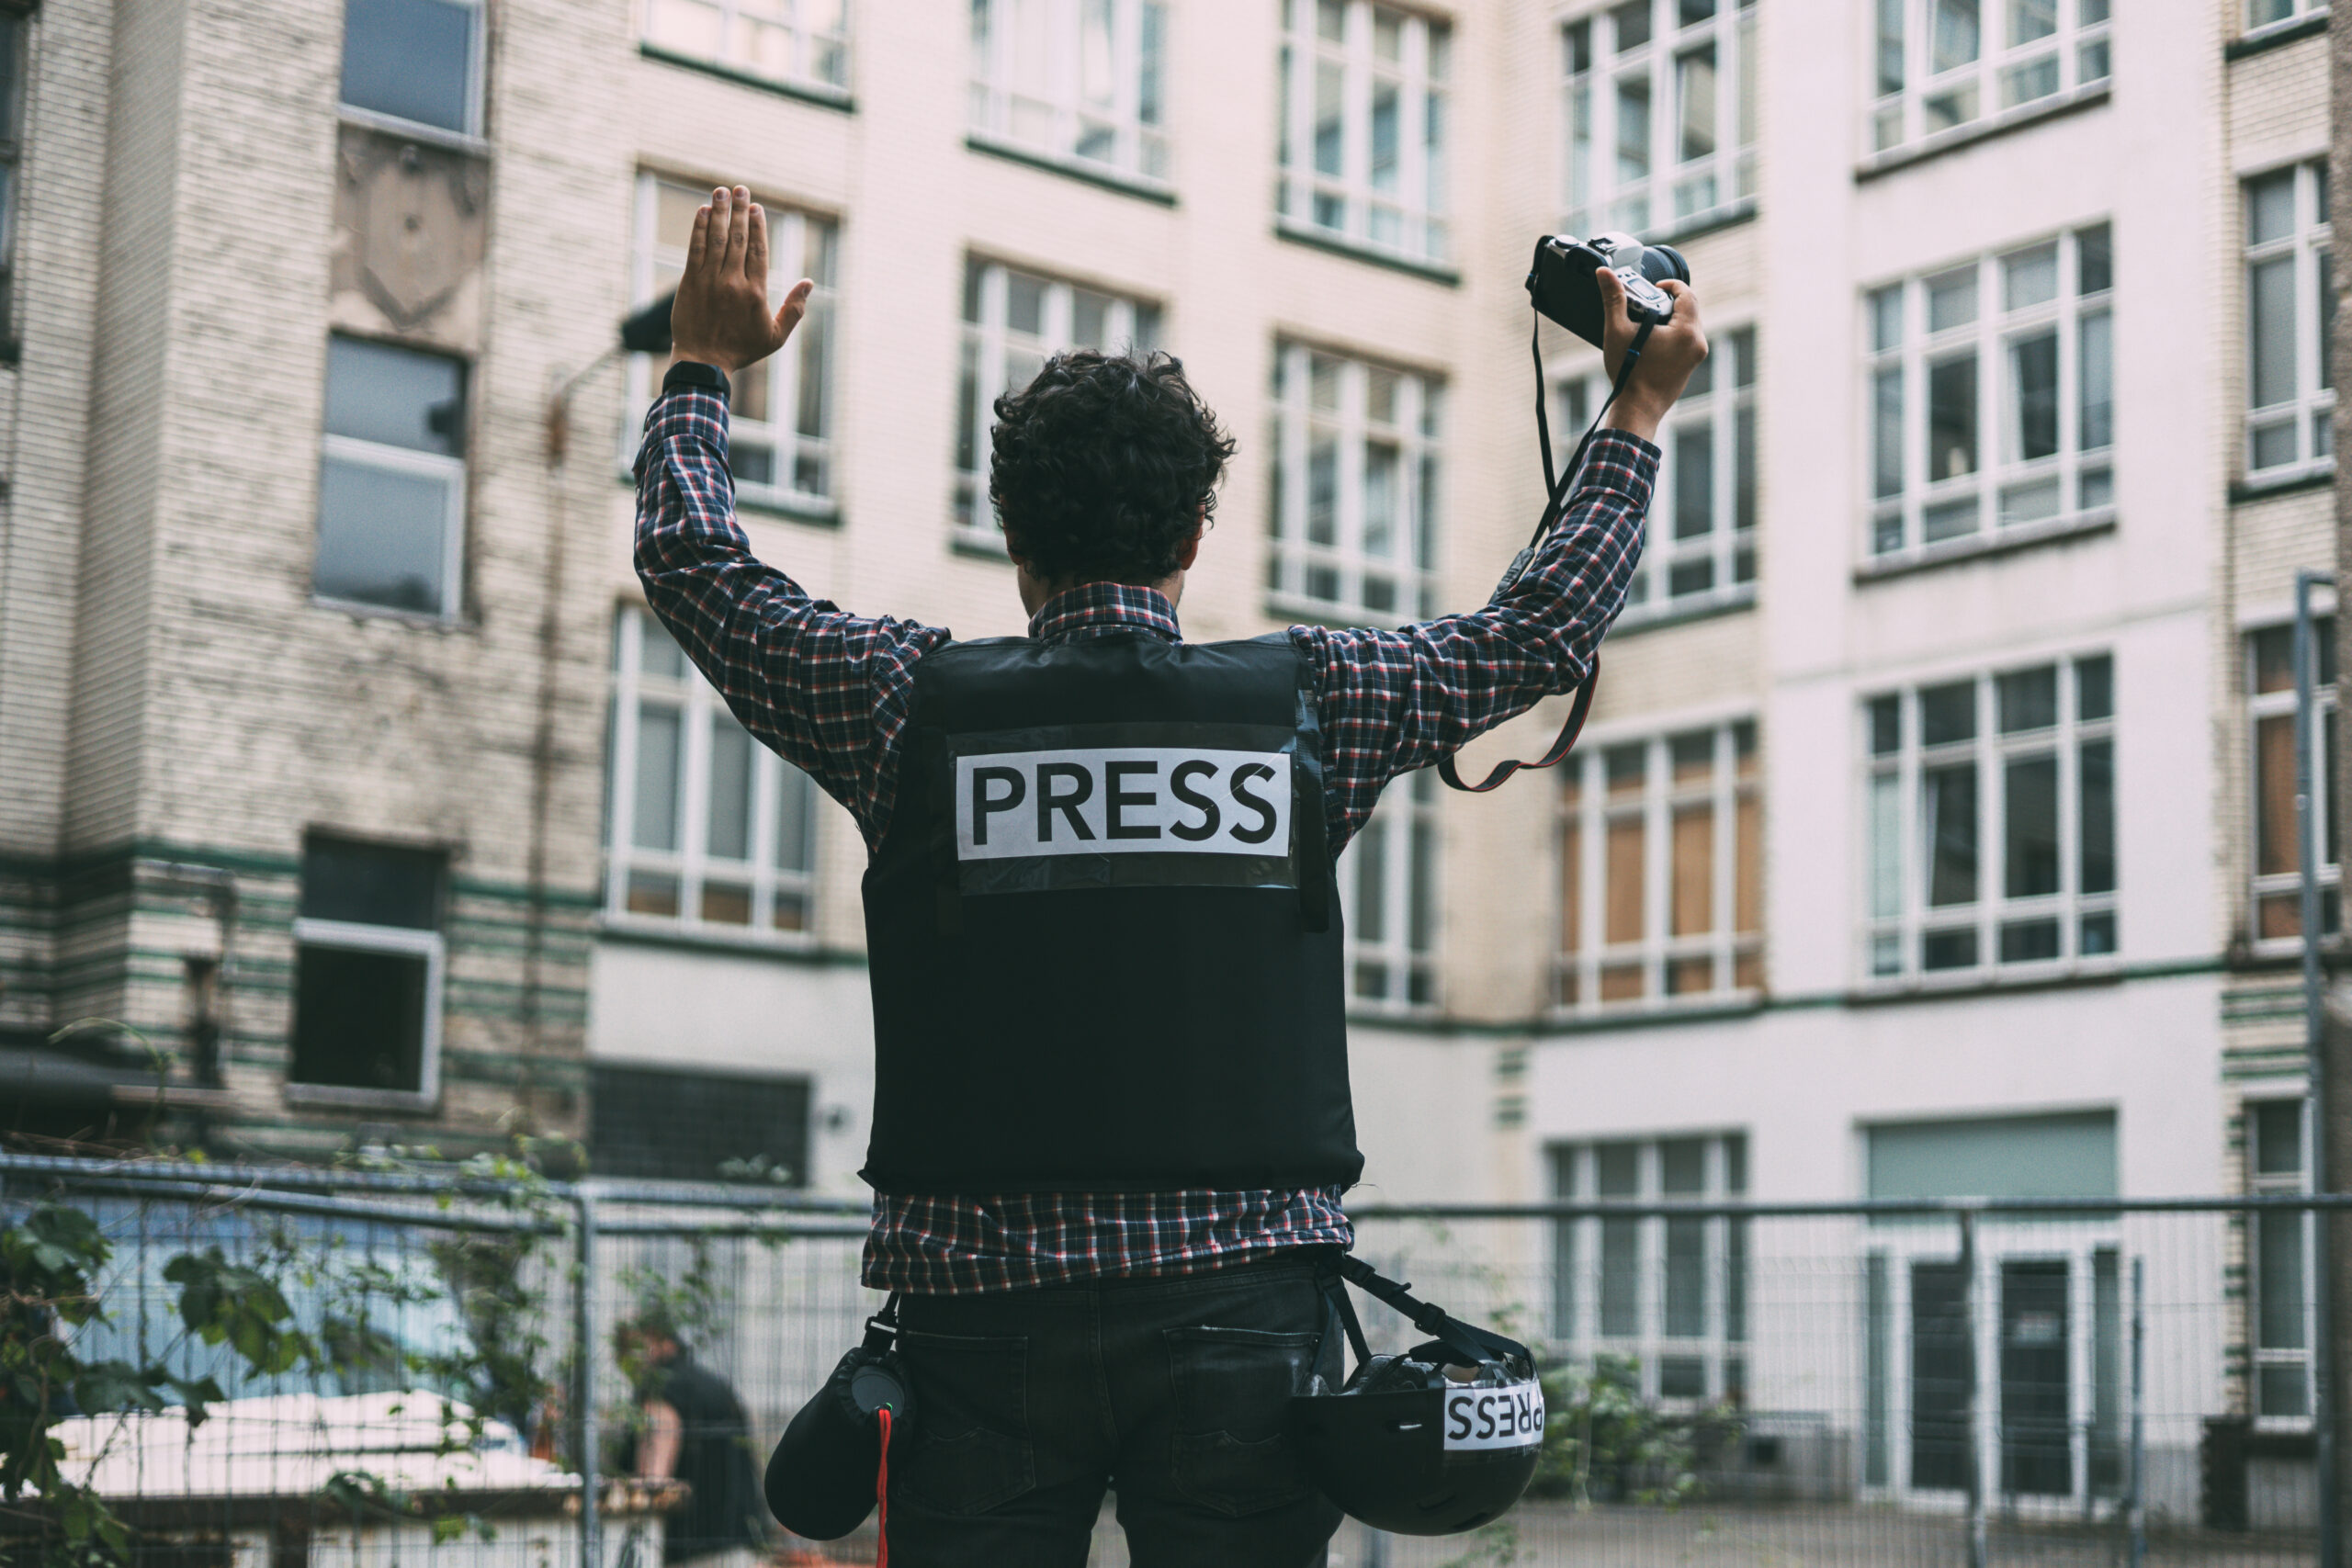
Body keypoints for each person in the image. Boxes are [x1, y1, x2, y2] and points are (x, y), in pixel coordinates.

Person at [635, 186, 1705, 1567]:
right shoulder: (1319, 699)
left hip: (977, 1330)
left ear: (1010, 534)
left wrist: (701, 372)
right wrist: (1635, 411)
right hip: (1244, 1320)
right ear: (1197, 533)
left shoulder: (900, 702)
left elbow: (694, 563)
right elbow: (1541, 626)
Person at [616, 1308, 768, 1568]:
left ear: (654, 1338)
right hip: (742, 1547)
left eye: (625, 1346)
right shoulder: (716, 1386)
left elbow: (651, 1482)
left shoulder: (662, 1390)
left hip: (692, 1554)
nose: (620, 1358)